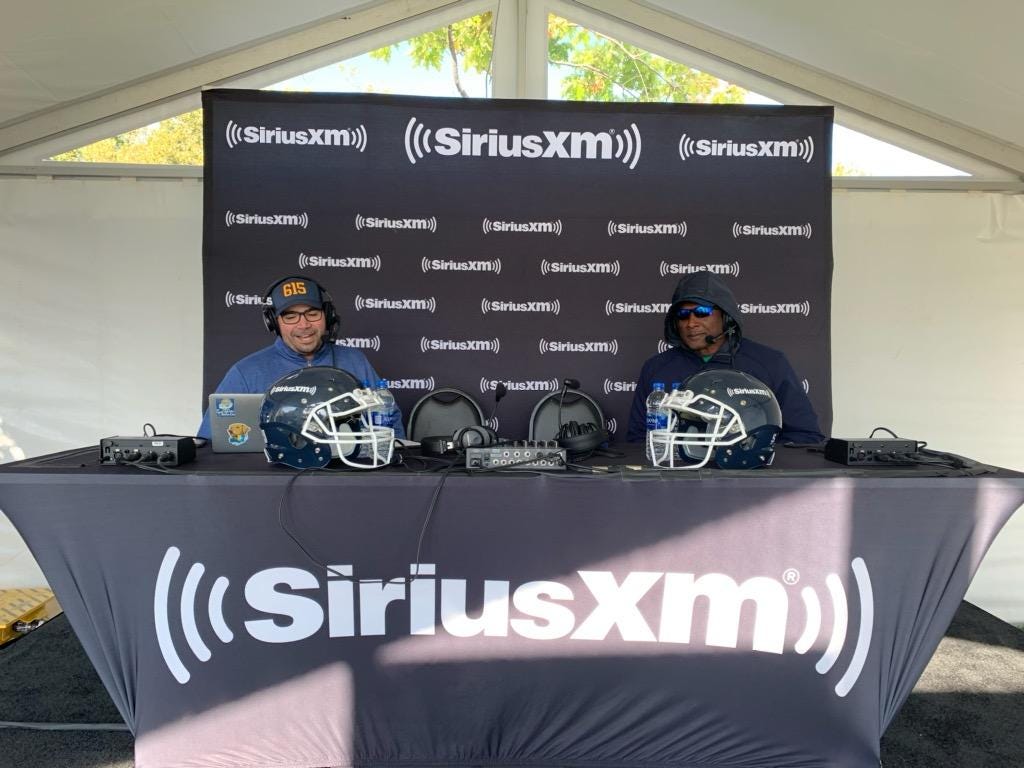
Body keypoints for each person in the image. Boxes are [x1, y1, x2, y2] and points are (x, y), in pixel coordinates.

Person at [198, 275, 404, 439]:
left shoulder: (354, 361)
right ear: (274, 322)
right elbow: (210, 440)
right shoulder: (245, 372)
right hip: (272, 476)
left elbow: (389, 418)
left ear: (327, 316)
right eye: (290, 316)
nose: (304, 325)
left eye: (312, 314)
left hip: (345, 472)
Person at [627, 272, 823, 444]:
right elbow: (637, 439)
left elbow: (804, 434)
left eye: (702, 312)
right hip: (677, 471)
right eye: (683, 315)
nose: (691, 323)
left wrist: (757, 455)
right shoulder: (656, 368)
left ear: (726, 317)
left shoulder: (770, 363)